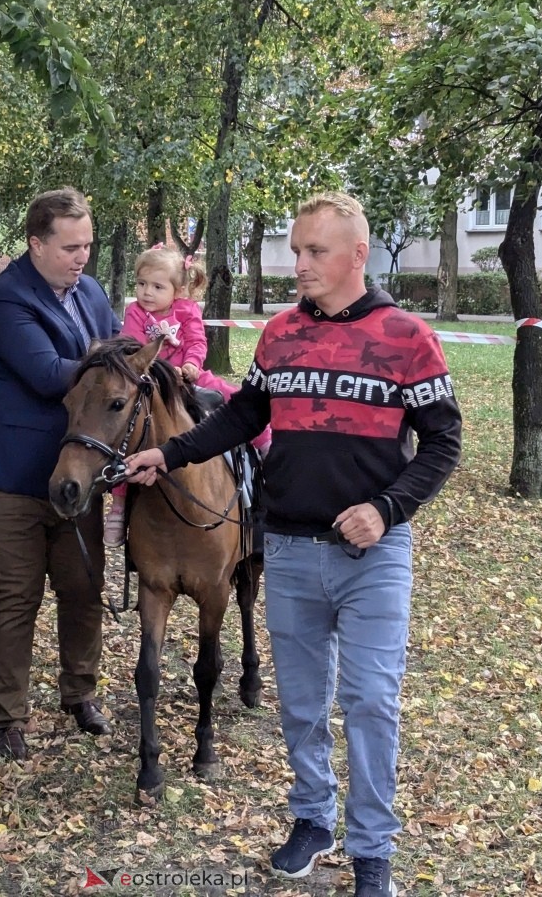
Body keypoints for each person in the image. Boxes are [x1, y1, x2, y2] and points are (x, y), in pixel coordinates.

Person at [123, 192, 462, 897]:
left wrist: (388, 508)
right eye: (295, 249)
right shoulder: (279, 335)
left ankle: (372, 851)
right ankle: (312, 818)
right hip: (290, 550)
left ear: (358, 255)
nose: (299, 263)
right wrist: (171, 453)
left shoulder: (407, 337)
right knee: (302, 704)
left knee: (370, 702)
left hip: (374, 557)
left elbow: (443, 442)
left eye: (315, 251)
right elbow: (243, 416)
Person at [0, 187, 122, 761]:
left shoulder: (90, 291)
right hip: (8, 473)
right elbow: (49, 375)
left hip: (75, 475)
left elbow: (117, 354)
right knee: (17, 595)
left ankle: (80, 694)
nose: (82, 257)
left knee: (83, 587)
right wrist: (114, 360)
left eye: (87, 245)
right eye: (70, 247)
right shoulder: (6, 300)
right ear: (36, 244)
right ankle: (8, 717)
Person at [104, 244, 272, 547]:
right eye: (141, 284)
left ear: (178, 290)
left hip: (189, 378)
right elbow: (133, 348)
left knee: (237, 400)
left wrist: (192, 364)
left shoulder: (187, 310)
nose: (146, 292)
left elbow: (196, 340)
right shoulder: (135, 313)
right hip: (153, 384)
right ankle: (119, 505)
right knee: (128, 437)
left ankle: (265, 447)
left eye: (157, 286)